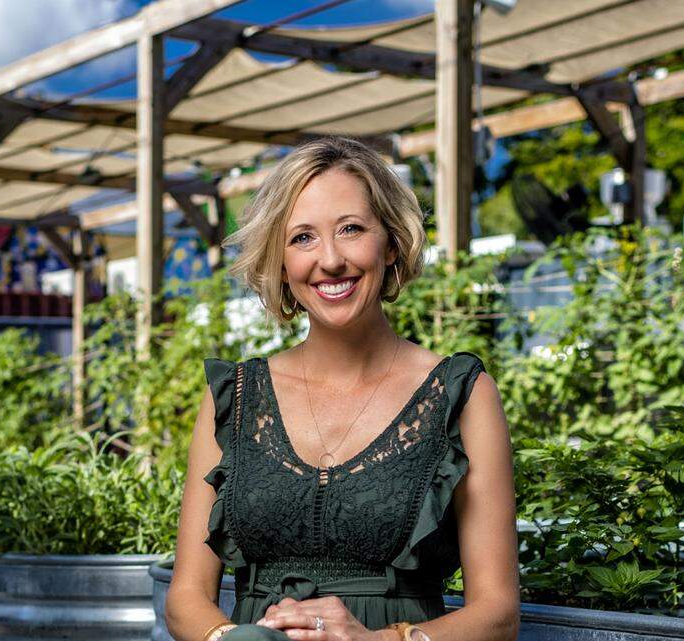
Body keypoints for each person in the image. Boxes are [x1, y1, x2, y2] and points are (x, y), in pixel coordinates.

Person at [166, 137, 520, 641]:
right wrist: (235, 640)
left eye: (351, 229)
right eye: (302, 238)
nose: (330, 260)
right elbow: (185, 599)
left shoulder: (460, 393)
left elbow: (499, 615)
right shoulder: (236, 396)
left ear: (392, 242)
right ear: (281, 264)